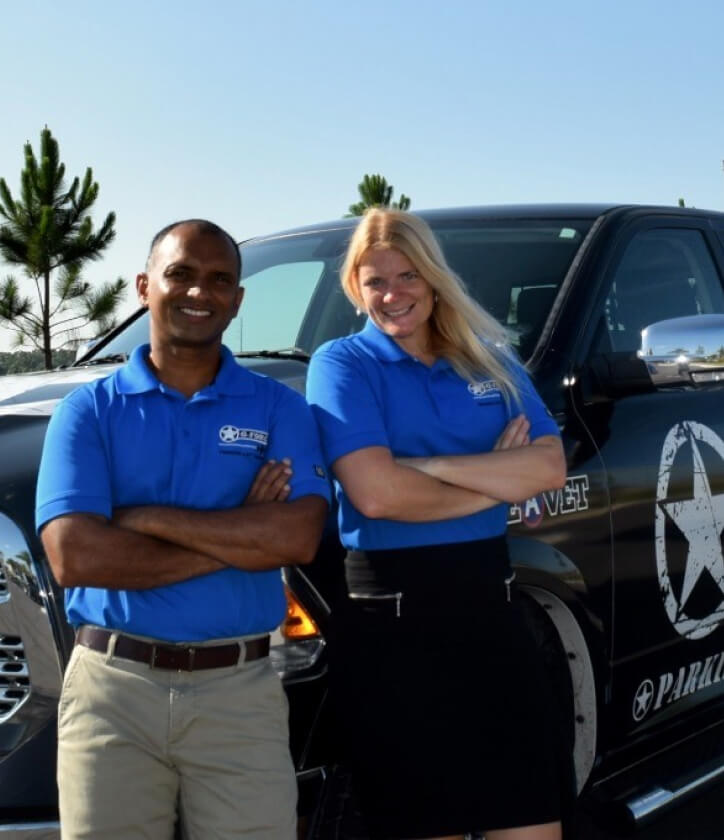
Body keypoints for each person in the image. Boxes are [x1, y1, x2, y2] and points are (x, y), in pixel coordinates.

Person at [36, 219, 330, 840]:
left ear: (238, 300)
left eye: (220, 280)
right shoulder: (88, 410)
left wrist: (142, 519)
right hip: (111, 693)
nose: (201, 292)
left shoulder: (280, 407)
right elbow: (75, 556)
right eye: (181, 274)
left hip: (240, 694)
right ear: (145, 286)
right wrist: (239, 534)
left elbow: (295, 538)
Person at [306, 208, 573, 840]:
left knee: (533, 823)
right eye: (375, 282)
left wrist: (431, 466)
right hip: (394, 633)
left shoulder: (490, 358)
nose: (392, 294)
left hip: (495, 619)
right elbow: (374, 494)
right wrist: (494, 480)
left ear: (434, 279)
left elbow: (550, 466)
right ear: (356, 288)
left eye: (407, 275)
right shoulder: (342, 364)